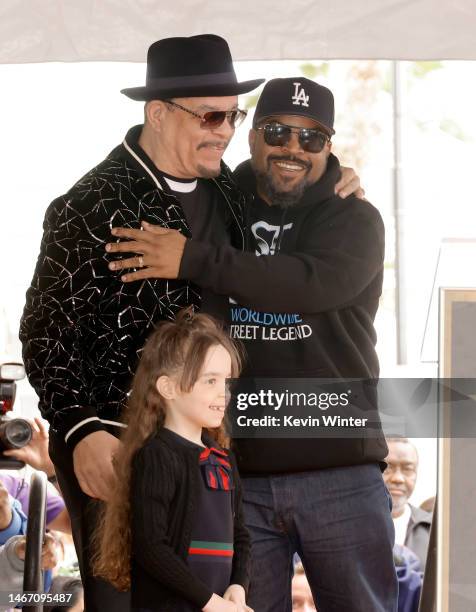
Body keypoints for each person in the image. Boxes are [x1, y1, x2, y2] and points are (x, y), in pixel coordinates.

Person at [19, 34, 361, 610]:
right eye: (210, 115)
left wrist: (337, 177)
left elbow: (293, 172)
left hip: (208, 457)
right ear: (157, 113)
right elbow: (44, 331)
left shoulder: (229, 189)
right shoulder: (90, 204)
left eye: (233, 116)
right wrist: (78, 430)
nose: (225, 132)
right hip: (120, 449)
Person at [109, 77, 397, 611]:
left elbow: (312, 284)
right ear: (251, 135)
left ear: (329, 146)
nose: (293, 147)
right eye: (278, 131)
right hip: (237, 477)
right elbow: (152, 170)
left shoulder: (354, 217)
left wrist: (195, 258)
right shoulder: (217, 202)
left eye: (312, 138)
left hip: (340, 473)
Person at [92, 309, 251, 612]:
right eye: (210, 381)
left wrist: (237, 587)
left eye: (227, 381)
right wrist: (210, 603)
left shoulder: (223, 458)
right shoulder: (157, 456)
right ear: (168, 388)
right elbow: (151, 548)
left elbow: (240, 533)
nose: (224, 394)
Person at [384, 437, 432, 571]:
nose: (398, 478)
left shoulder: (433, 530)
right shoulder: (350, 526)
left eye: (407, 469)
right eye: (388, 468)